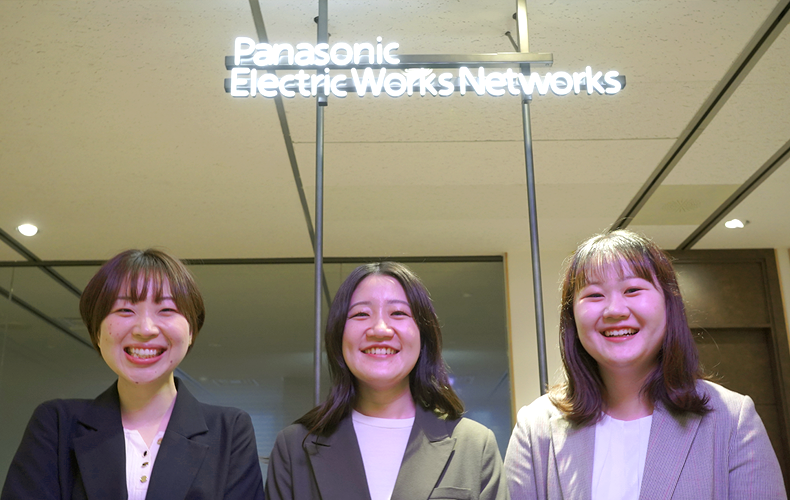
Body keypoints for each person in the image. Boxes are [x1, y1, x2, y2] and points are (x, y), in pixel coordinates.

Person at [504, 230, 786, 499]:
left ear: (668, 304)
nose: (615, 310)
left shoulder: (732, 419)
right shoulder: (535, 428)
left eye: (632, 290)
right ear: (572, 318)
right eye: (594, 295)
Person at [1, 249, 265, 500]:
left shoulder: (229, 430)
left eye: (167, 310)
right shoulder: (57, 424)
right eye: (125, 310)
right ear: (96, 331)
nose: (145, 329)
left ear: (191, 331)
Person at [266, 261, 508, 500]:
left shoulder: (474, 445)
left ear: (423, 334)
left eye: (398, 313)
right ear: (338, 335)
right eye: (361, 314)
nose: (380, 329)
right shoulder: (294, 447)